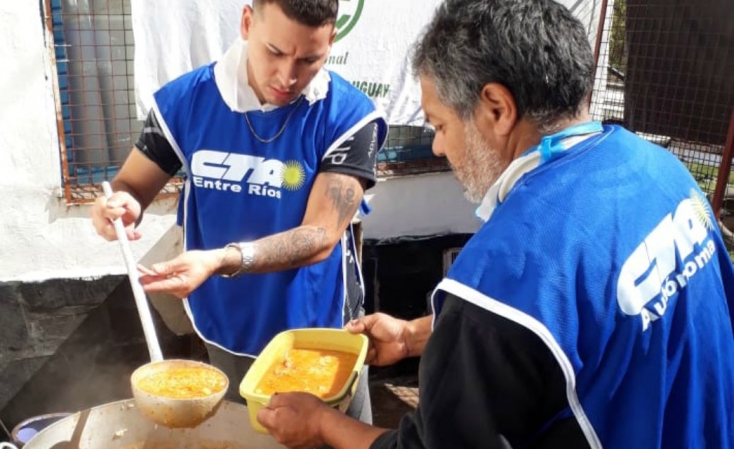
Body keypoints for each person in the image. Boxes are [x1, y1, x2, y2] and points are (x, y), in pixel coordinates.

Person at [255, 0, 734, 447]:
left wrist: (322, 422)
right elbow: (580, 326)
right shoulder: (663, 170)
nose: (439, 148)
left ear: (497, 109)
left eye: (439, 125)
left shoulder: (504, 274)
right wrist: (410, 336)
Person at [91, 0, 388, 424]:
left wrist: (221, 259)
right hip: (224, 320)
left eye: (309, 60)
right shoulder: (187, 101)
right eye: (275, 52)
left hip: (318, 331)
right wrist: (121, 206)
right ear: (247, 22)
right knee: (241, 433)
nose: (288, 77)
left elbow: (321, 235)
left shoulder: (349, 116)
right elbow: (133, 186)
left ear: (332, 41)